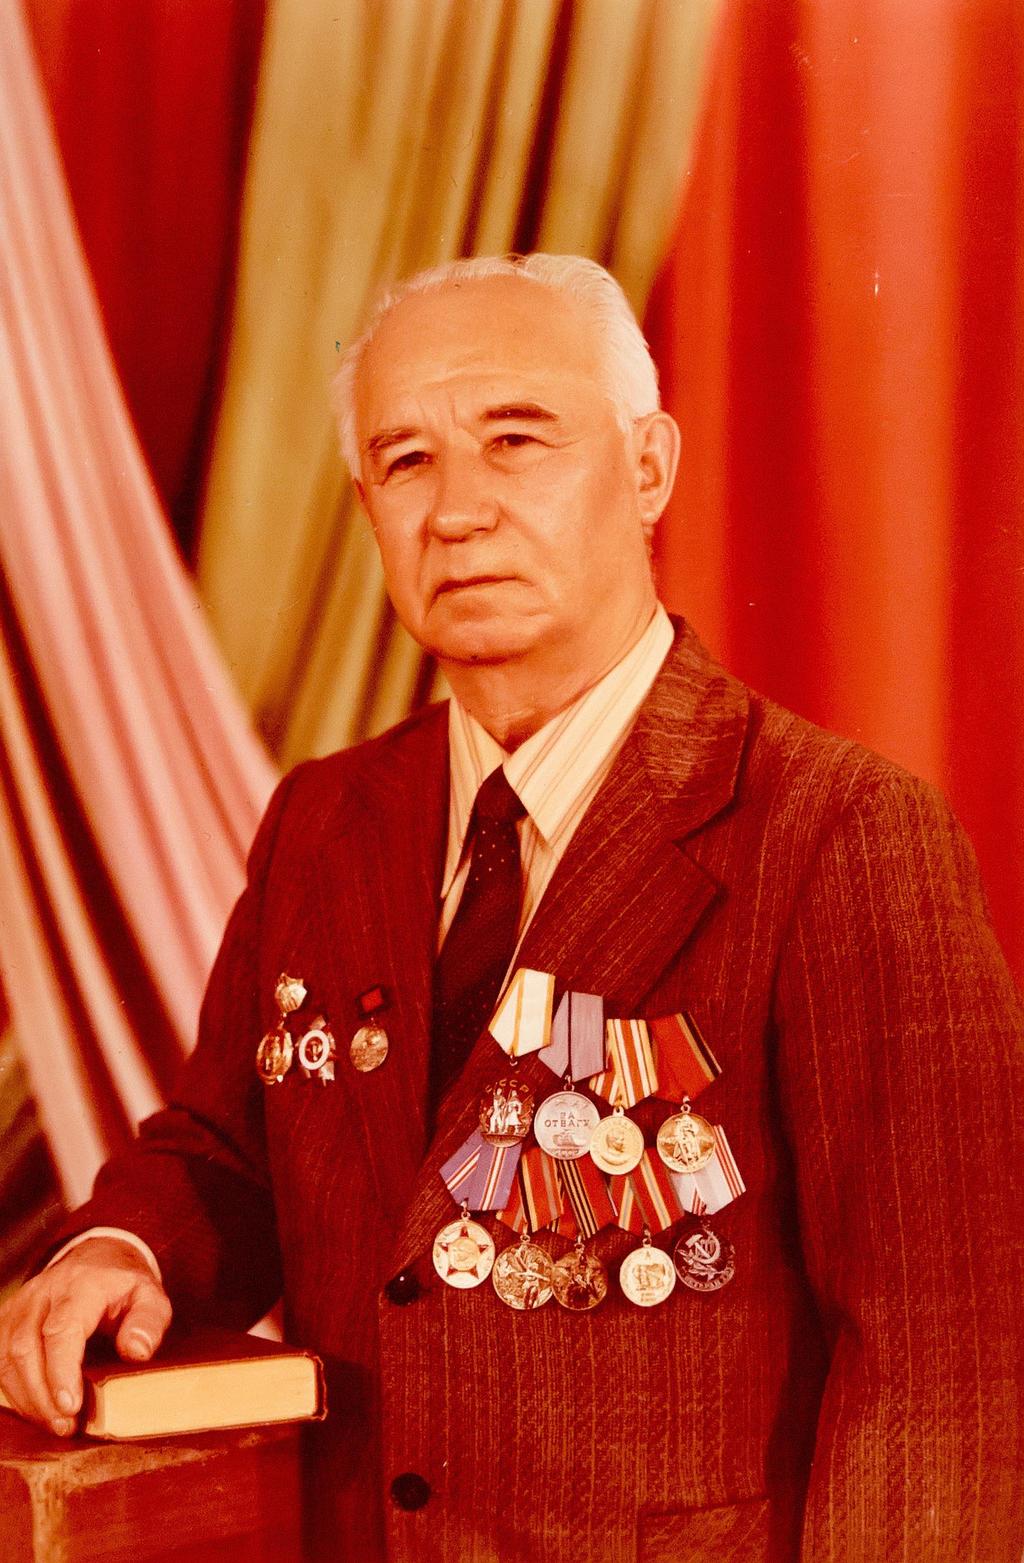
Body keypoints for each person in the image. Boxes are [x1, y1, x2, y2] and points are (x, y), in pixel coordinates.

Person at [1, 254, 1021, 1562]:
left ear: (647, 468)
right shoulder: (327, 821)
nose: (458, 511)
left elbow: (944, 1377)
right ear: (367, 508)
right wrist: (122, 1247)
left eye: (516, 440)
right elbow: (234, 1151)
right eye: (406, 461)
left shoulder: (838, 835)